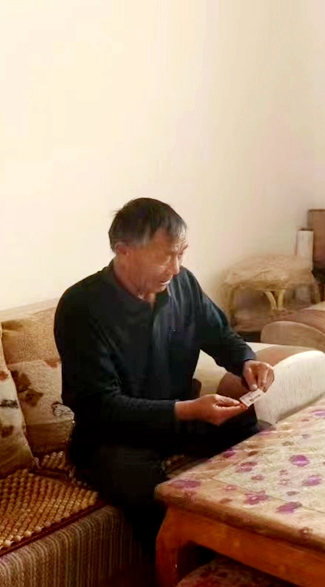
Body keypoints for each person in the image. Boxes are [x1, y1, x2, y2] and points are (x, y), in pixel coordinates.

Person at [54, 198, 275, 553]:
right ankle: (196, 567)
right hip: (113, 437)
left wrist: (247, 362)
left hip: (176, 419)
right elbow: (99, 405)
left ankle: (267, 539)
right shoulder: (81, 307)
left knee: (253, 432)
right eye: (165, 256)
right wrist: (188, 410)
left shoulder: (183, 283)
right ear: (123, 251)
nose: (175, 267)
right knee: (149, 490)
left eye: (181, 254)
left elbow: (219, 334)